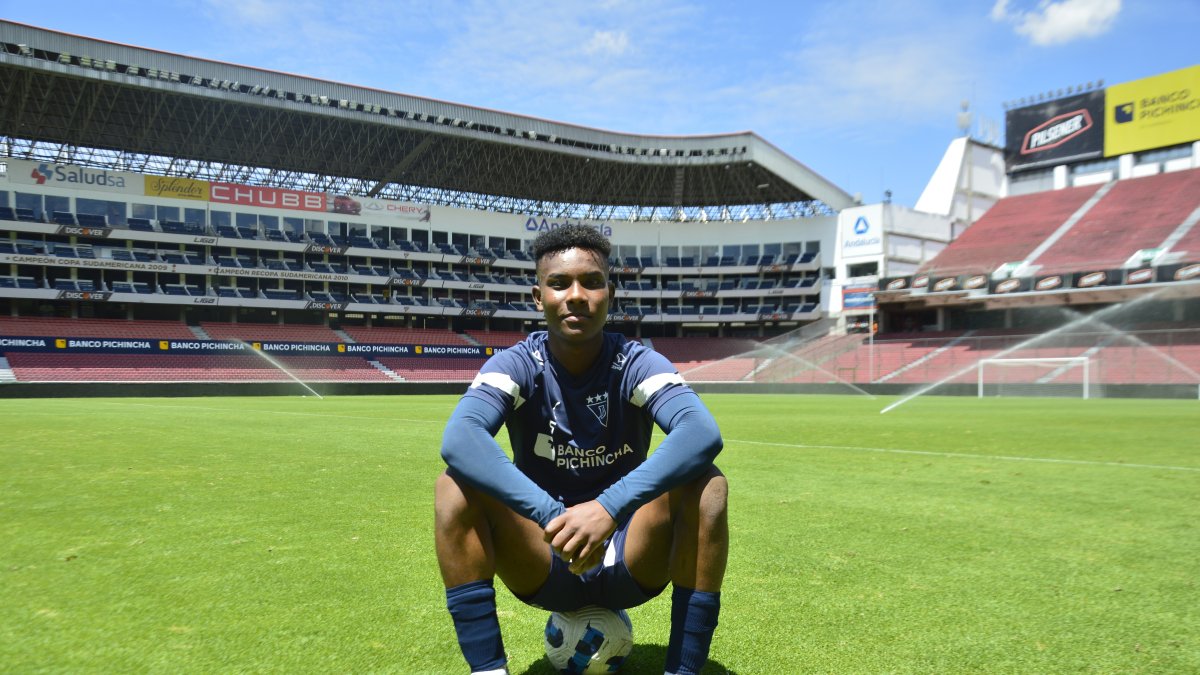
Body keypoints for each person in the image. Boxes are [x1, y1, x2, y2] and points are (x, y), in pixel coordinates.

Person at [435, 223, 729, 675]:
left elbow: (700, 431)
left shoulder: (634, 362)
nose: (576, 295)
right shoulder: (518, 364)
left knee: (708, 485)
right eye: (559, 283)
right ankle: (488, 671)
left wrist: (608, 508)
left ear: (609, 294)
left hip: (630, 556)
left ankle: (682, 671)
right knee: (454, 487)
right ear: (539, 297)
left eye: (591, 282)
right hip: (545, 556)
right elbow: (460, 438)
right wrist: (553, 515)